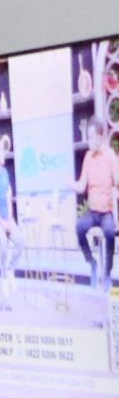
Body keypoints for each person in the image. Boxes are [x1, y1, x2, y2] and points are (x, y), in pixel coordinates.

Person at [78, 121, 118, 294]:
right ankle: (92, 262)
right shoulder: (88, 157)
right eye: (88, 137)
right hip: (93, 211)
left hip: (106, 212)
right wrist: (69, 183)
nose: (89, 141)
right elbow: (81, 185)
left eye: (91, 137)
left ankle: (107, 272)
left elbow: (117, 182)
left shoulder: (110, 155)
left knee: (109, 232)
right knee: (79, 227)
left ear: (100, 137)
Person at [0, 134, 21, 310]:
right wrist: (1, 222)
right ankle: (4, 279)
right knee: (4, 245)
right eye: (1, 150)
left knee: (20, 241)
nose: (3, 153)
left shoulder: (6, 173)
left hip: (7, 218)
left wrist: (10, 220)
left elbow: (8, 199)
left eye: (4, 150)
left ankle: (10, 269)